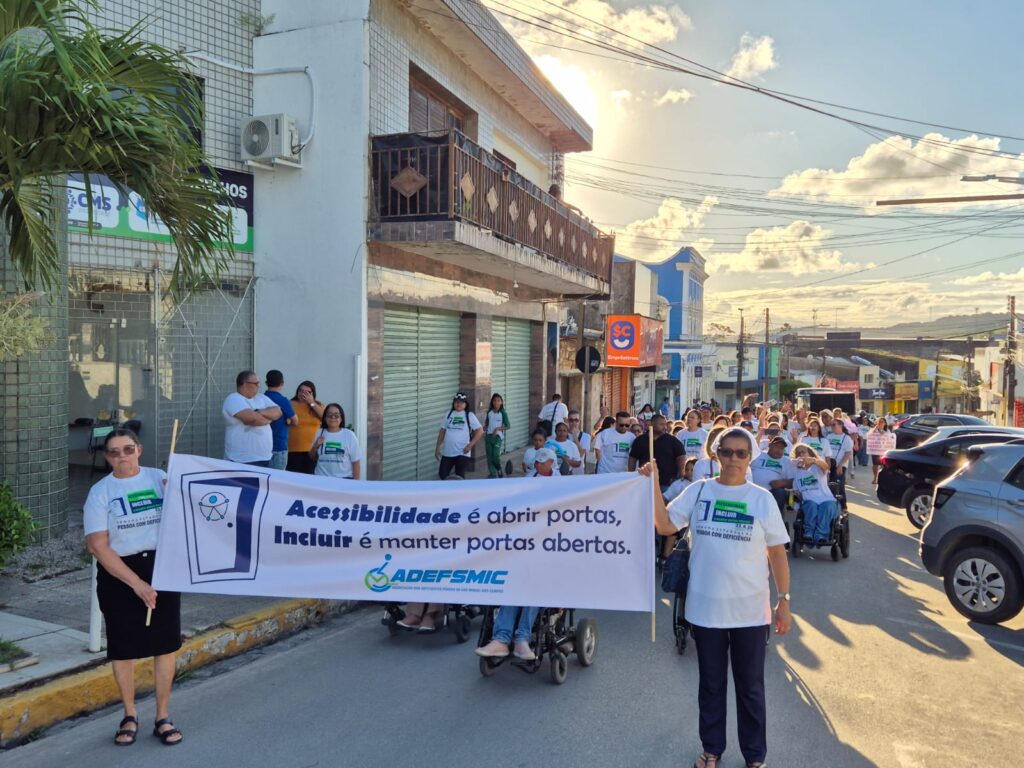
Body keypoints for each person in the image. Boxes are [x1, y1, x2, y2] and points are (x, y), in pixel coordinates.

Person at [643, 426, 791, 768]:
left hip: (750, 612)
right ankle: (712, 749)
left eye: (741, 453)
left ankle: (755, 756)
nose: (733, 459)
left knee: (750, 687)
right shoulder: (699, 491)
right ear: (716, 454)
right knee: (710, 685)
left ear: (750, 457)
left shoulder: (761, 499)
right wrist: (652, 483)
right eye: (727, 451)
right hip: (705, 609)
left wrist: (783, 599)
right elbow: (665, 525)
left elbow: (777, 553)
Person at [84, 429, 183, 747]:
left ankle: (162, 716)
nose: (122, 456)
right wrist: (137, 584)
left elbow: (185, 517)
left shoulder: (159, 479)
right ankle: (129, 714)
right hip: (120, 574)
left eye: (127, 449)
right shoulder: (100, 492)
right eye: (114, 452)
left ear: (138, 449)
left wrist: (176, 492)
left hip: (161, 566)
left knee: (165, 644)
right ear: (107, 457)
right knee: (123, 647)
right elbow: (98, 546)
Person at [475, 448, 557, 661]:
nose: (539, 465)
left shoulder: (564, 485)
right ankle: (501, 639)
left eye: (543, 462)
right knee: (514, 587)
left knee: (534, 588)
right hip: (525, 551)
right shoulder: (527, 482)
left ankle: (522, 638)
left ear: (552, 463)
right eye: (537, 462)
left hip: (551, 555)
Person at [223, 370, 281, 467]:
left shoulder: (261, 397)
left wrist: (258, 412)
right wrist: (269, 418)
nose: (259, 386)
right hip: (242, 459)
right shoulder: (233, 399)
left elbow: (278, 412)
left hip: (265, 457)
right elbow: (252, 419)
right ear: (244, 384)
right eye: (256, 383)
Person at [790, 443, 838, 545]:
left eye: (803, 452)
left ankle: (821, 535)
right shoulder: (796, 471)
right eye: (798, 453)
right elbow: (795, 489)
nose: (801, 454)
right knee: (811, 506)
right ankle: (809, 532)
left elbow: (826, 467)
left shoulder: (817, 467)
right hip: (808, 500)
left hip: (825, 498)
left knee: (828, 506)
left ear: (810, 453)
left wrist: (814, 460)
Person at [628, 414, 685, 492]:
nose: (665, 427)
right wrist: (631, 475)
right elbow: (632, 458)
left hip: (667, 483)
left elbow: (681, 457)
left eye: (665, 424)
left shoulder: (673, 441)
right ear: (652, 424)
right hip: (645, 481)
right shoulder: (640, 440)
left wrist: (681, 475)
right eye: (661, 424)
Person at [435, 392, 483, 479]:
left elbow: (480, 431)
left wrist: (470, 445)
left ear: (465, 404)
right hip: (448, 452)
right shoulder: (448, 414)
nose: (458, 404)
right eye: (456, 401)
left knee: (459, 477)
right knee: (442, 475)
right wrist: (437, 447)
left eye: (461, 402)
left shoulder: (469, 415)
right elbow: (442, 431)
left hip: (462, 452)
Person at [309, 403, 361, 479]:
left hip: (343, 479)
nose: (333, 417)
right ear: (325, 418)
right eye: (329, 415)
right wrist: (315, 446)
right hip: (321, 479)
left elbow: (356, 462)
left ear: (341, 418)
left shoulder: (349, 435)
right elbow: (312, 457)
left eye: (336, 415)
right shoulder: (319, 432)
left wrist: (356, 483)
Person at [287, 380, 324, 473]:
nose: (303, 394)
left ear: (313, 393)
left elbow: (325, 418)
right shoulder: (290, 403)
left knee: (310, 477)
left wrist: (312, 403)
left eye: (307, 392)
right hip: (293, 450)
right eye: (301, 390)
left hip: (312, 450)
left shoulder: (318, 405)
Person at [263, 369, 297, 471]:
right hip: (279, 446)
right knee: (276, 478)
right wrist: (288, 419)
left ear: (266, 383)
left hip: (263, 447)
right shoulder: (283, 400)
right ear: (282, 383)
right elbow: (296, 421)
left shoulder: (261, 398)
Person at [751, 436, 793, 513]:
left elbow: (793, 481)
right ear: (769, 445)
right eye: (776, 446)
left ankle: (775, 518)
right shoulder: (758, 455)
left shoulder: (786, 462)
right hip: (752, 489)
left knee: (781, 493)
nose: (779, 450)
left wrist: (782, 483)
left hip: (772, 491)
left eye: (781, 448)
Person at [826, 420, 854, 509]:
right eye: (831, 425)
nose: (832, 426)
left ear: (841, 425)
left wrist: (840, 465)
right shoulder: (828, 436)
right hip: (829, 464)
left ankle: (843, 507)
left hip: (840, 465)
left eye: (834, 424)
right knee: (828, 486)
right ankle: (832, 507)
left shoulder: (846, 438)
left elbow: (848, 453)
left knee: (838, 486)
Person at [484, 393, 510, 479]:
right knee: (489, 457)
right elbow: (487, 423)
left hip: (498, 437)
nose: (496, 402)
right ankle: (492, 474)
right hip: (488, 437)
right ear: (492, 402)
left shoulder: (503, 413)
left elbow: (508, 426)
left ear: (501, 402)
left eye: (498, 400)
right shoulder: (489, 412)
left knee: (495, 455)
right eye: (494, 400)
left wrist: (497, 429)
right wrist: (484, 428)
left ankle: (499, 469)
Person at [868, 418, 892, 484]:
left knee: (883, 465)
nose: (880, 423)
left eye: (882, 422)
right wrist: (875, 429)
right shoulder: (873, 429)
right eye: (879, 422)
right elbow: (869, 436)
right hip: (875, 449)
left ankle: (881, 478)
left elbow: (890, 439)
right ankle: (875, 478)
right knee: (875, 464)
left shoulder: (887, 431)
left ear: (885, 423)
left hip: (883, 450)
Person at [566, 409, 591, 475]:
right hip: (565, 468)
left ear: (579, 421)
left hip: (578, 469)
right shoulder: (563, 435)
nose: (574, 423)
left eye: (576, 420)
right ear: (568, 421)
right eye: (571, 420)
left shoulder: (586, 436)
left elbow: (580, 454)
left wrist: (575, 437)